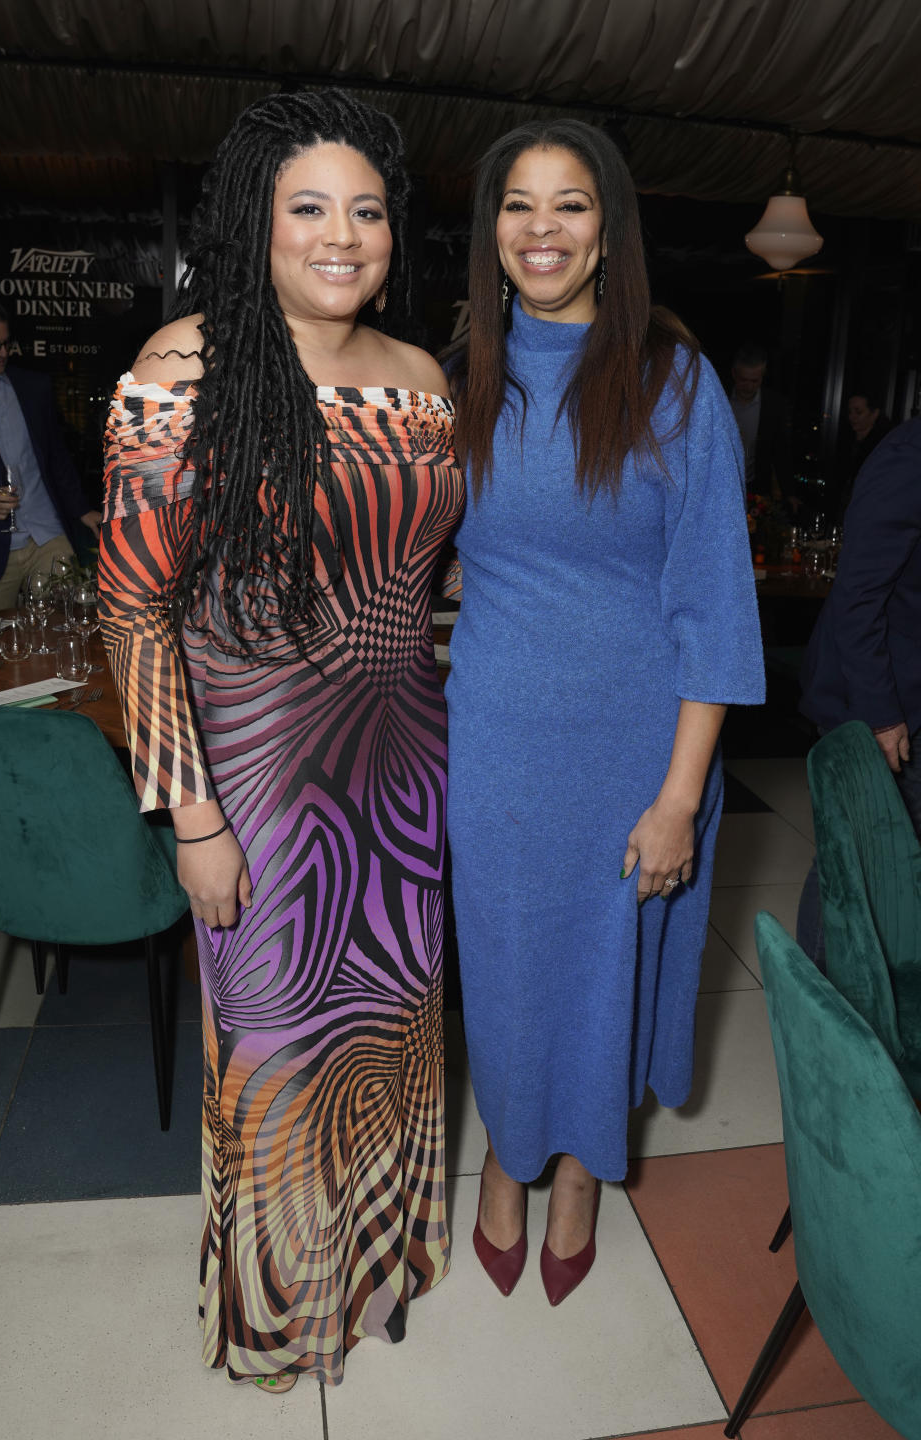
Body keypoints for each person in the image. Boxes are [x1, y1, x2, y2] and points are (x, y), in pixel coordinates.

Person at [98, 90, 462, 1389]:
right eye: (308, 206)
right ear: (253, 222)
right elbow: (133, 608)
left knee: (395, 1034)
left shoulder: (421, 381)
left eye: (366, 210)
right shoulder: (181, 366)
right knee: (273, 1058)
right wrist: (190, 816)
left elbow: (420, 583)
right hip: (255, 783)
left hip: (405, 772)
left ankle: (380, 1264)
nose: (341, 234)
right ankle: (278, 1307)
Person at [444, 120, 765, 1306]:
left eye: (569, 205)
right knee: (508, 960)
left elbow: (717, 612)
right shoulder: (461, 373)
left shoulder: (672, 382)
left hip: (640, 747)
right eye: (517, 205)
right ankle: (506, 1158)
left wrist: (681, 797)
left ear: (608, 230)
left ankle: (580, 1168)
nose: (541, 229)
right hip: (496, 739)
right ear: (491, 232)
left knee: (610, 966)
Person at [797, 419, 921, 963]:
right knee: (854, 869)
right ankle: (825, 1026)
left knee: (897, 868)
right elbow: (856, 597)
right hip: (878, 700)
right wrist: (880, 717)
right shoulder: (910, 457)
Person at [0, 294, 100, 610]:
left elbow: (56, 457)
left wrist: (80, 509)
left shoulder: (32, 387)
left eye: (6, 344)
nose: (1, 353)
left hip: (46, 534)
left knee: (66, 624)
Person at [728, 341, 794, 504]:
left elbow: (781, 452)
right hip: (721, 485)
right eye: (744, 380)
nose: (749, 386)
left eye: (755, 381)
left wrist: (790, 493)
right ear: (734, 374)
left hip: (756, 491)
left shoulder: (773, 405)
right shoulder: (720, 398)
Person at [836, 386, 893, 517]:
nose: (852, 417)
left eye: (858, 412)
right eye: (849, 412)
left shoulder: (883, 447)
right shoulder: (845, 441)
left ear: (874, 414)